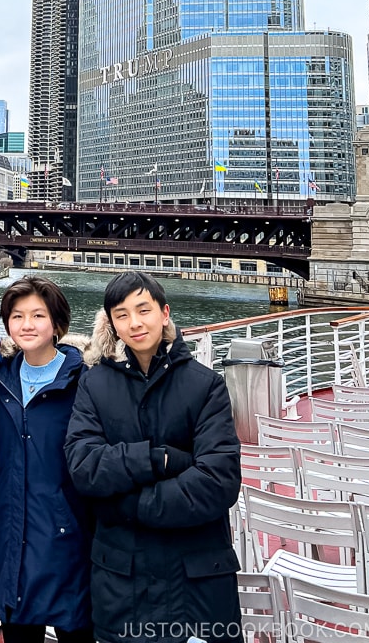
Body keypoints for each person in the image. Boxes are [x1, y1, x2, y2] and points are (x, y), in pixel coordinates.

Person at [64, 272, 242, 643]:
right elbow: (84, 466)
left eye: (143, 310)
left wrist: (127, 504)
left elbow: (218, 481)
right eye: (122, 314)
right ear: (112, 323)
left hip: (196, 583)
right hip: (122, 582)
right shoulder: (93, 384)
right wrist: (158, 460)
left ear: (165, 313)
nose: (134, 323)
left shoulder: (206, 385)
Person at [0, 276, 93, 643]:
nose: (26, 325)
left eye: (38, 315)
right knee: (19, 630)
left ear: (57, 324)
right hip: (12, 534)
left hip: (67, 535)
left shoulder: (83, 382)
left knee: (75, 629)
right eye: (17, 316)